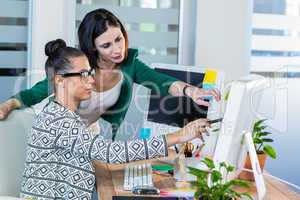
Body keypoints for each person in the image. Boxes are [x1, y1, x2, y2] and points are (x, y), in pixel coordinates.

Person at [20, 39, 211, 200]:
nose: (92, 80)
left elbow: (102, 152)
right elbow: (110, 153)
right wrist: (180, 135)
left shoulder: (68, 115)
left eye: (91, 73)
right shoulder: (57, 120)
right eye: (83, 75)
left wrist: (169, 152)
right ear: (60, 80)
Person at [0, 9, 220, 140]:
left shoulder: (129, 64)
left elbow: (160, 81)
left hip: (97, 140)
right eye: (107, 45)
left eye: (119, 39)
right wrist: (8, 105)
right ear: (93, 47)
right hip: (65, 137)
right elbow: (38, 91)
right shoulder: (78, 66)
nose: (117, 49)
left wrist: (191, 91)